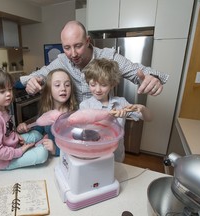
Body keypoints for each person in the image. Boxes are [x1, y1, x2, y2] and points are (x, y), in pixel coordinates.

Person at [20, 20, 169, 103]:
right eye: (67, 47)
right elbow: (36, 76)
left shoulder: (108, 57)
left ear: (87, 41)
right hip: (77, 125)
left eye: (78, 46)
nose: (73, 54)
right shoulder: (62, 61)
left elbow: (138, 71)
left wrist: (153, 78)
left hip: (104, 125)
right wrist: (32, 82)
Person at [0, 67, 48, 170]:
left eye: (10, 89)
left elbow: (6, 130)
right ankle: (35, 148)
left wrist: (15, 135)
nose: (8, 94)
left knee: (37, 134)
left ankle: (34, 145)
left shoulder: (1, 108)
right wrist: (20, 151)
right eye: (2, 91)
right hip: (1, 161)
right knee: (43, 154)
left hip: (11, 145)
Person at [80, 58, 152, 162]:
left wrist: (142, 108)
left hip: (116, 156)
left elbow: (149, 118)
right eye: (93, 84)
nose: (98, 89)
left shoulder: (121, 103)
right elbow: (86, 132)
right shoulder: (85, 106)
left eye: (103, 85)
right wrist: (109, 117)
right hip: (93, 156)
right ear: (88, 83)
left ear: (112, 84)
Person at [17, 68, 78, 156]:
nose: (63, 88)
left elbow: (75, 146)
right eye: (57, 85)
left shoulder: (74, 115)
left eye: (67, 85)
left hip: (63, 160)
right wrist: (25, 128)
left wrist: (55, 150)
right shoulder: (46, 112)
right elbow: (38, 130)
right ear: (49, 90)